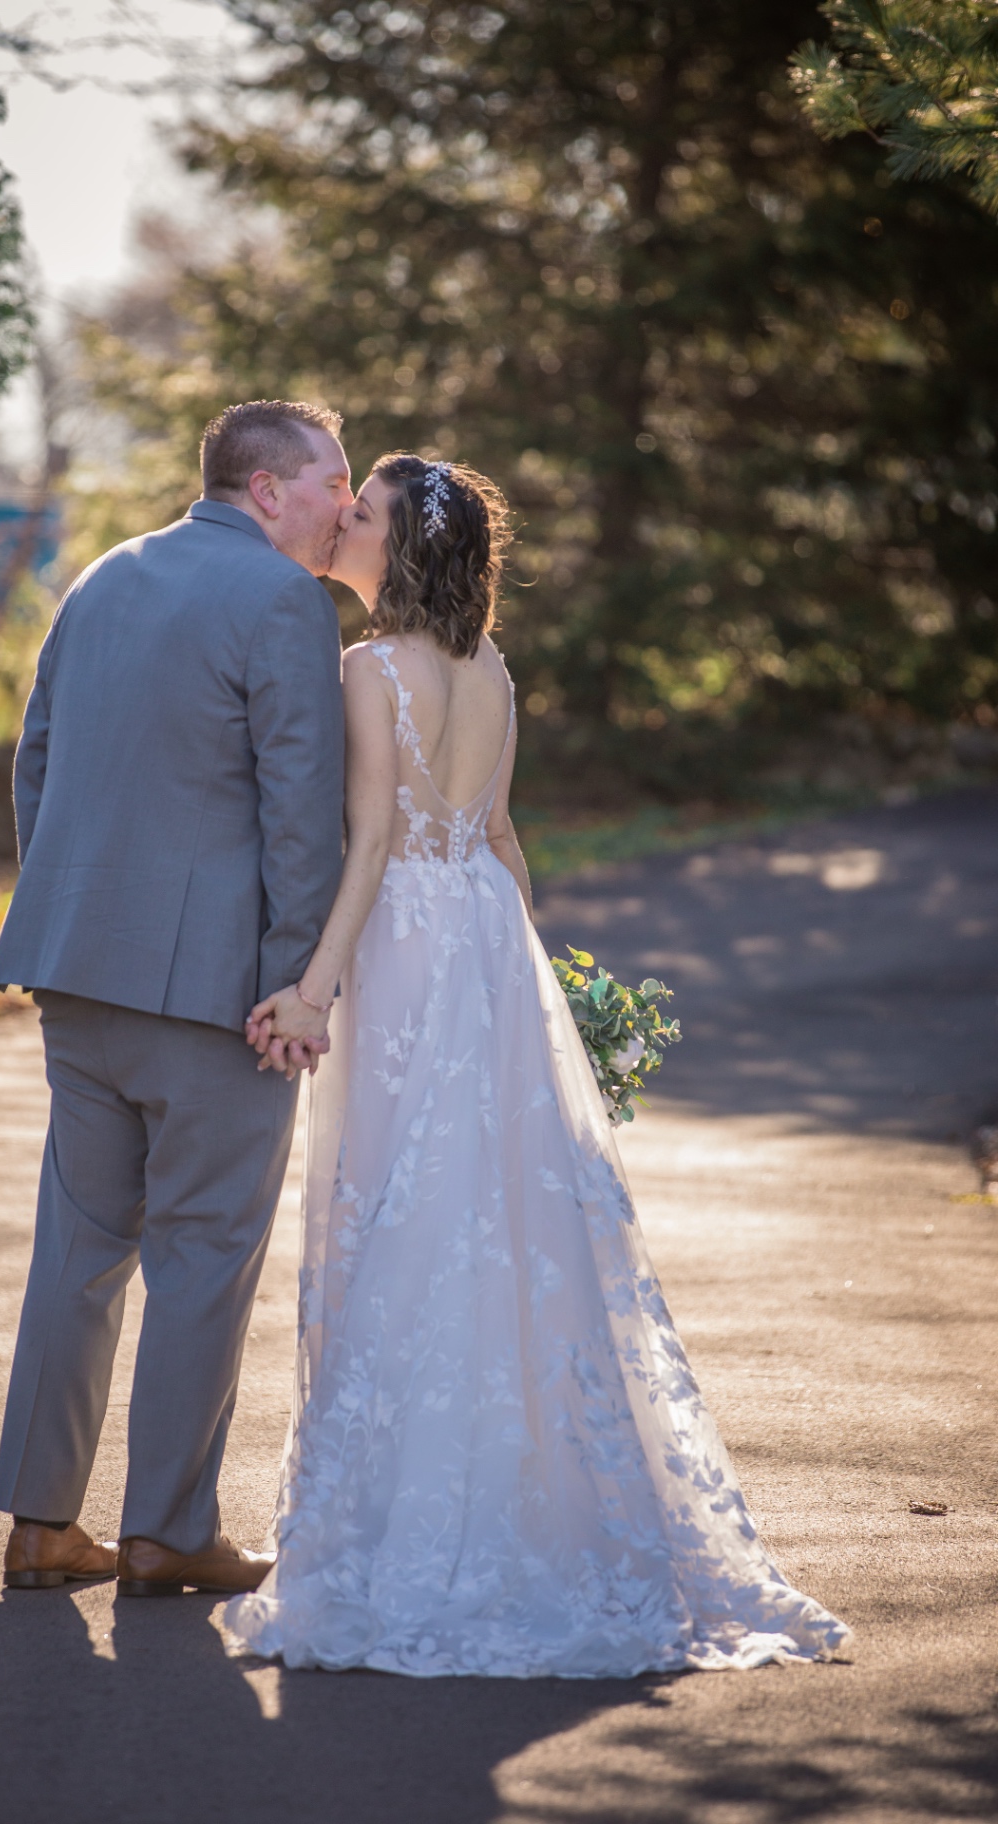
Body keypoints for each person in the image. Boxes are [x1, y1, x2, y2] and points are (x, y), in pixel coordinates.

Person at [225, 453, 852, 1676]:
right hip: (487, 943)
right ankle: (531, 1502)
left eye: (362, 515)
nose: (342, 522)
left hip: (407, 941)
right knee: (501, 1211)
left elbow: (365, 852)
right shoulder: (492, 671)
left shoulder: (369, 669)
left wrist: (314, 986)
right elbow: (503, 837)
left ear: (400, 548)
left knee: (397, 1205)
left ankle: (408, 1527)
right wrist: (545, 997)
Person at [0, 400, 351, 1596]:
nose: (345, 504)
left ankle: (43, 1528)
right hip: (216, 1000)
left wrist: (70, 914)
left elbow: (35, 760)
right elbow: (301, 812)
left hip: (76, 969)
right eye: (331, 482)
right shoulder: (284, 601)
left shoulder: (101, 575)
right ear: (266, 491)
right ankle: (167, 1534)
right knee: (202, 1254)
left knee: (77, 1253)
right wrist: (296, 983)